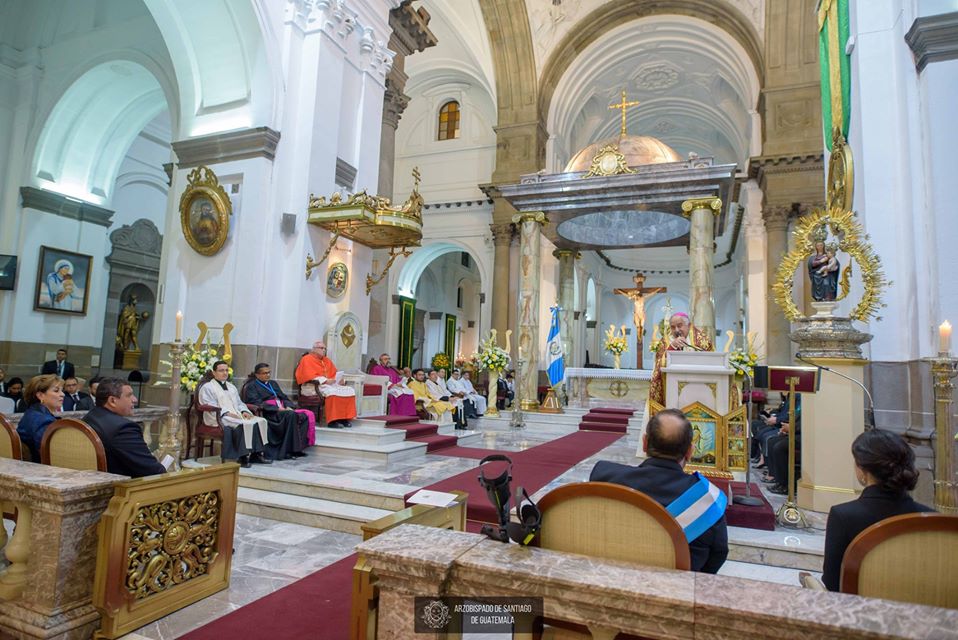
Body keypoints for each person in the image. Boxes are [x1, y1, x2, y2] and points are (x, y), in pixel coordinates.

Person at [589, 408, 728, 573]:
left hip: (609, 578)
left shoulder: (604, 476)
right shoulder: (707, 500)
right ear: (690, 451)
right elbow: (717, 557)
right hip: (675, 586)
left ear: (644, 443)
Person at [821, 429, 934, 591]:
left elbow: (832, 583)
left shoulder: (843, 516)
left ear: (862, 469)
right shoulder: (931, 517)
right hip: (916, 605)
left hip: (861, 605)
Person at [82, 378, 166, 477]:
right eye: (129, 395)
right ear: (112, 401)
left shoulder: (89, 417)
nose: (135, 400)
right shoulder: (124, 429)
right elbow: (152, 471)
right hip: (121, 484)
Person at [198, 360, 272, 468]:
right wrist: (226, 413)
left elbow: (239, 403)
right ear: (214, 373)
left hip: (236, 415)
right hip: (217, 417)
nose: (225, 373)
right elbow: (207, 404)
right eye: (221, 370)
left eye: (226, 370)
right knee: (241, 425)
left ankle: (256, 454)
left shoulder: (231, 387)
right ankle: (242, 457)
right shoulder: (207, 387)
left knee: (260, 421)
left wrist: (244, 411)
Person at [243, 363, 312, 455]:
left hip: (282, 409)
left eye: (269, 372)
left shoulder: (273, 383)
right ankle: (289, 451)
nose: (268, 375)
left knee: (304, 415)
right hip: (269, 413)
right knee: (291, 415)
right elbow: (257, 403)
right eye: (264, 373)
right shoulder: (252, 386)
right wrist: (277, 409)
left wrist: (288, 406)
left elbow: (283, 397)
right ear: (257, 375)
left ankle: (298, 448)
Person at [649, 313, 714, 405]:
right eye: (673, 327)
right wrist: (672, 347)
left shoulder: (701, 340)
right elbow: (659, 364)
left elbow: (711, 362)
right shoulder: (665, 341)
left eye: (679, 326)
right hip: (673, 387)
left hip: (697, 385)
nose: (676, 330)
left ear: (689, 325)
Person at [294, 341, 357, 428]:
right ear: (314, 349)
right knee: (332, 392)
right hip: (312, 387)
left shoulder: (326, 360)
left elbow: (334, 373)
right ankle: (332, 421)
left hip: (328, 385)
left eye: (325, 348)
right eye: (321, 348)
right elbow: (307, 375)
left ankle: (344, 419)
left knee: (349, 390)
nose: (324, 350)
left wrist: (340, 380)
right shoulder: (307, 359)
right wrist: (325, 381)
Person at [16, 374, 64, 462]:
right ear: (40, 395)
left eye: (62, 390)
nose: (62, 394)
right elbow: (49, 455)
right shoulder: (44, 420)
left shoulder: (32, 412)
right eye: (56, 391)